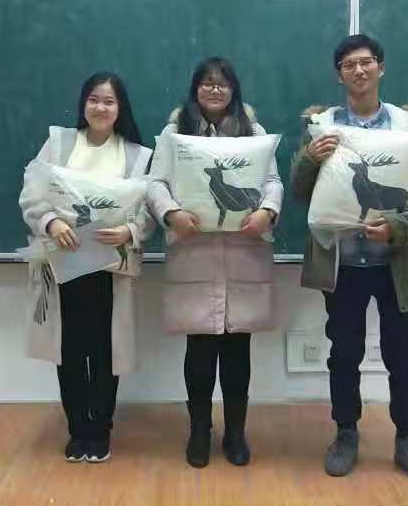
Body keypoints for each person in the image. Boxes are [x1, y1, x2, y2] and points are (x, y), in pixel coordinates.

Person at [290, 34, 408, 488]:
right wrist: (308, 160)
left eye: (366, 62)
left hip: (398, 263)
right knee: (344, 354)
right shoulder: (322, 127)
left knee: (403, 356)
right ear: (339, 75)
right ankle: (345, 434)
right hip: (342, 264)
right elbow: (300, 192)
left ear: (380, 67)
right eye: (348, 64)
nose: (358, 70)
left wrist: (399, 225)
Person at [148, 57, 284, 468]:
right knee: (200, 349)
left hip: (244, 249)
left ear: (233, 90)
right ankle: (199, 431)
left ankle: (236, 433)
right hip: (194, 251)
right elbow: (155, 184)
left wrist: (267, 212)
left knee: (238, 349)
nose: (214, 89)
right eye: (206, 83)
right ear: (195, 89)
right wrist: (171, 213)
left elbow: (272, 182)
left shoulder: (253, 132)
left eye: (222, 83)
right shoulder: (175, 133)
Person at [19, 72, 154, 463]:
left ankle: (101, 428)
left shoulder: (137, 155)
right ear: (83, 104)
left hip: (111, 267)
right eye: (94, 99)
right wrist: (51, 222)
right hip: (64, 264)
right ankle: (77, 428)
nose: (100, 107)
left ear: (120, 108)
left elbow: (148, 209)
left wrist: (130, 230)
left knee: (106, 351)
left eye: (109, 101)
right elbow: (32, 193)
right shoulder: (59, 143)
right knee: (71, 349)